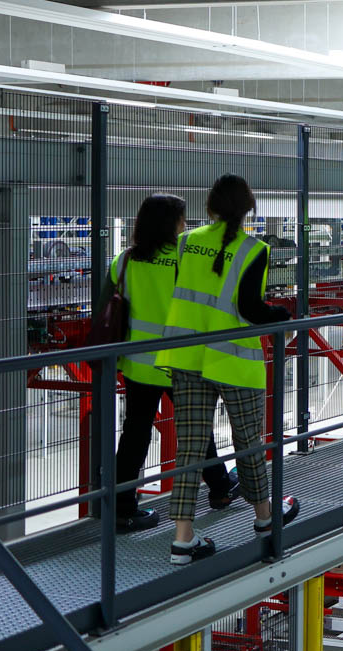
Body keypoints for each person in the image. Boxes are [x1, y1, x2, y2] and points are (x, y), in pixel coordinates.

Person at [155, 174, 298, 565]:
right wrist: (280, 315)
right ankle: (265, 519)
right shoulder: (254, 248)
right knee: (249, 441)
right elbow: (251, 308)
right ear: (248, 208)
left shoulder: (186, 242)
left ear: (210, 207)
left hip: (185, 357)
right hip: (233, 360)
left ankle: (183, 539)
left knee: (190, 447)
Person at [110, 194, 238, 532]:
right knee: (195, 428)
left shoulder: (124, 261)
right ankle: (221, 490)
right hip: (181, 362)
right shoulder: (185, 260)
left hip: (138, 364)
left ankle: (122, 508)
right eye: (182, 219)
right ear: (172, 224)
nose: (185, 225)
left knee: (135, 434)